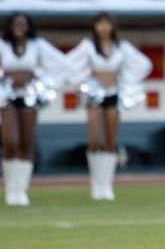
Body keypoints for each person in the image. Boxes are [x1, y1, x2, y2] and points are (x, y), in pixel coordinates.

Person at [0, 12, 67, 206]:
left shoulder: (37, 45)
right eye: (15, 24)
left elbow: (60, 63)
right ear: (9, 26)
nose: (19, 27)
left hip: (29, 95)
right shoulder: (0, 45)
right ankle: (10, 189)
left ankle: (22, 190)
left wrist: (43, 82)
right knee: (10, 141)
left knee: (26, 142)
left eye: (23, 24)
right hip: (8, 96)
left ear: (29, 26)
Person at [64, 12, 152, 201]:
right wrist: (82, 82)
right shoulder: (88, 46)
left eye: (107, 24)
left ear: (112, 27)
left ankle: (107, 185)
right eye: (100, 24)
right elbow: (68, 63)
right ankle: (96, 184)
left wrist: (126, 81)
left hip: (113, 93)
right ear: (95, 26)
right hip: (94, 96)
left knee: (111, 140)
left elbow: (143, 64)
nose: (104, 28)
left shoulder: (121, 47)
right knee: (95, 139)